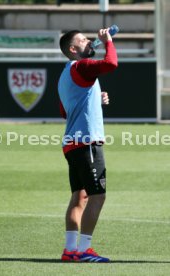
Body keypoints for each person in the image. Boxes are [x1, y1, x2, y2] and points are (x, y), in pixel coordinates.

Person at [58, 28, 118, 262]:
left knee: (79, 196)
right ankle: (84, 250)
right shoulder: (82, 66)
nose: (89, 41)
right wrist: (108, 41)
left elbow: (65, 111)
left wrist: (95, 98)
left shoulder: (66, 73)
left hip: (72, 143)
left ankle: (70, 250)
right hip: (86, 142)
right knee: (98, 196)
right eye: (83, 40)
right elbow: (111, 63)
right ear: (73, 49)